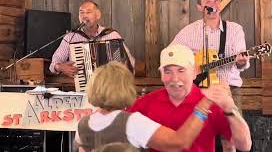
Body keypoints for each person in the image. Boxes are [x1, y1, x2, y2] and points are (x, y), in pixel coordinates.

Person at [74, 60, 225, 151]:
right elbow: (180, 143)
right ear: (125, 87)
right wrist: (204, 104)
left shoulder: (83, 124)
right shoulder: (132, 122)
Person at [129, 44, 252, 152]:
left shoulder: (211, 101)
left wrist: (230, 108)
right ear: (161, 75)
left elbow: (245, 145)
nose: (174, 79)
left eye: (181, 70)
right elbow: (120, 131)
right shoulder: (146, 103)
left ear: (194, 72)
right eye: (167, 72)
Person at [170, 0, 250, 110]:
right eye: (208, 1)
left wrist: (241, 62)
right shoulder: (189, 31)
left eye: (216, 1)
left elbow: (241, 62)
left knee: (231, 128)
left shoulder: (235, 30)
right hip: (198, 90)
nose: (213, 4)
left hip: (229, 90)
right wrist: (189, 68)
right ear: (199, 7)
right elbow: (170, 54)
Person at [49, 0, 135, 77]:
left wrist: (122, 71)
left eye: (88, 12)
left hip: (108, 87)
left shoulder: (112, 35)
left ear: (98, 15)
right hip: (81, 89)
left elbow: (130, 62)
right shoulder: (71, 37)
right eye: (81, 12)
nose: (84, 16)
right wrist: (59, 67)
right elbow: (54, 62)